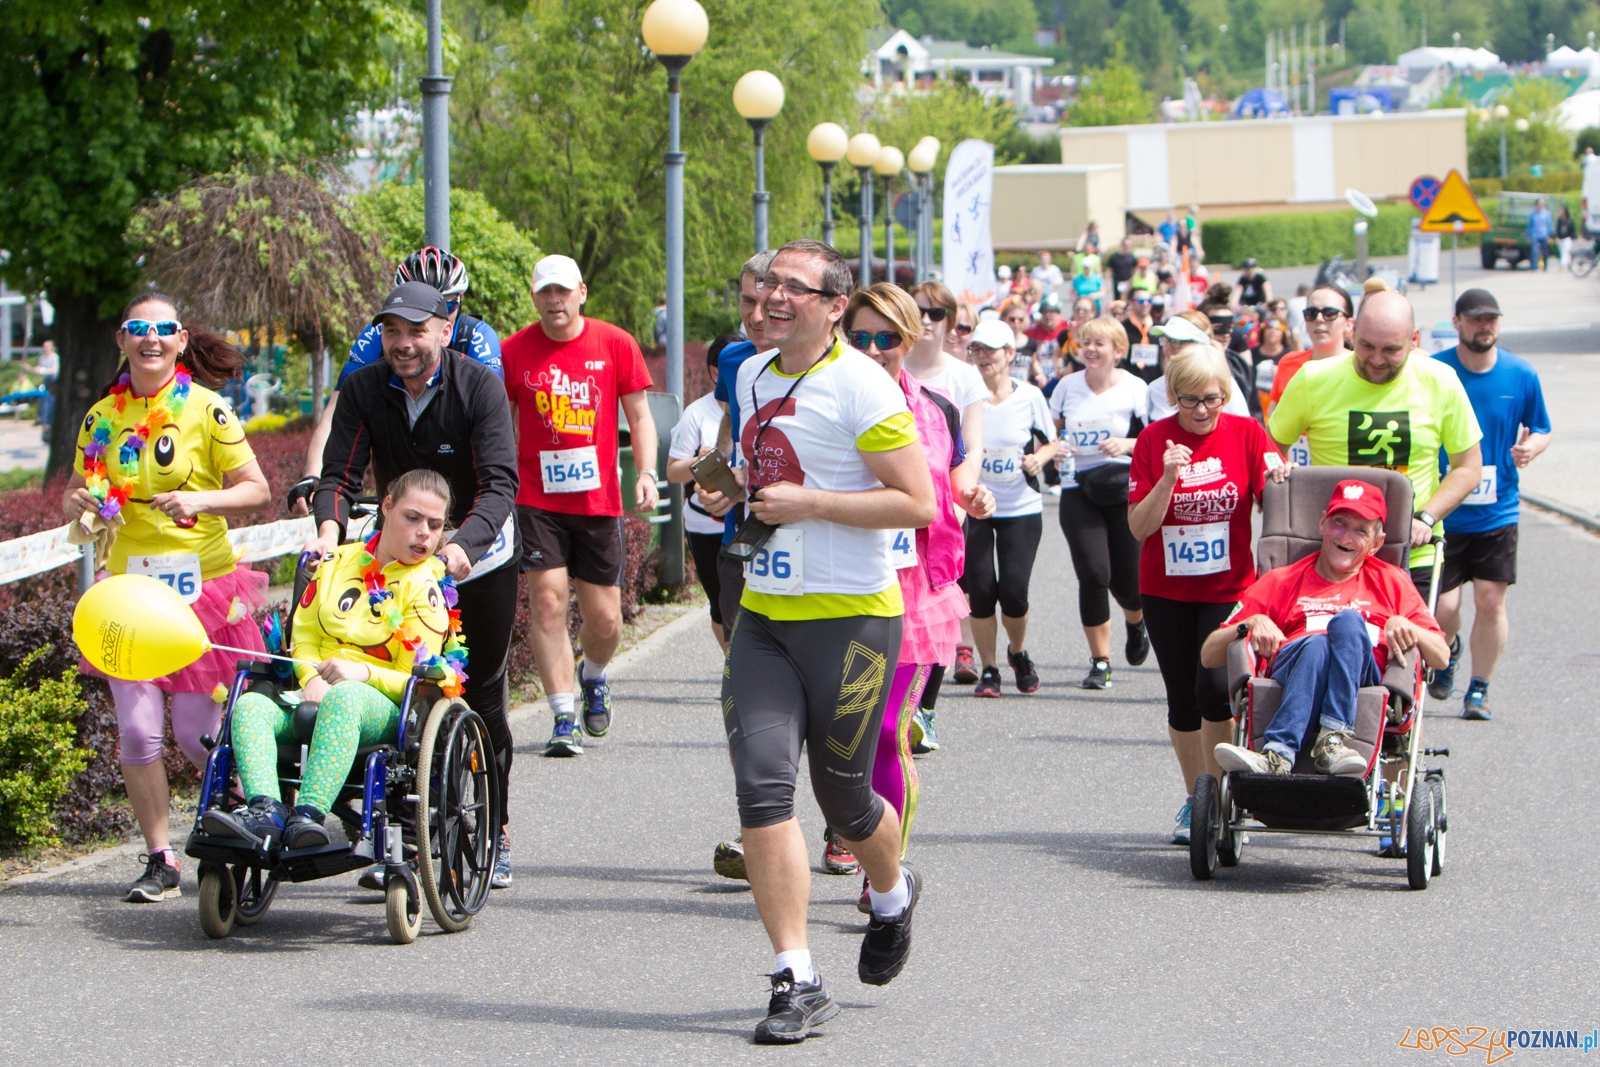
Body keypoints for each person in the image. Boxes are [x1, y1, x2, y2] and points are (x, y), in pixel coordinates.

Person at [696, 240, 937, 1043]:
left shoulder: (863, 385)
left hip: (853, 622)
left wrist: (812, 502)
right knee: (762, 789)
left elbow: (917, 502)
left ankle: (893, 891)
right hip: (765, 617)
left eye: (793, 287)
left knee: (845, 798)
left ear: (835, 306)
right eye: (767, 281)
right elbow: (760, 468)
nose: (772, 296)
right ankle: (795, 976)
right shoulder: (748, 372)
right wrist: (729, 486)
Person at [307, 279, 520, 888]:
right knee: (398, 693)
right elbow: (338, 476)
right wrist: (328, 534)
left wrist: (459, 548)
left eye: (416, 332)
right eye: (392, 332)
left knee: (476, 693)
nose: (402, 344)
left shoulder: (478, 386)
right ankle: (403, 840)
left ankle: (492, 828)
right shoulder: (364, 387)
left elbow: (500, 483)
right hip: (396, 562)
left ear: (445, 331)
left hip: (474, 555)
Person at [66, 294, 271, 902]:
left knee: (195, 736)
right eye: (138, 328)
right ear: (122, 340)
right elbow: (77, 491)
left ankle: (240, 829)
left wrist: (200, 500)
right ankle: (161, 860)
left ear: (181, 340)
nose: (149, 338)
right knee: (137, 733)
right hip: (127, 595)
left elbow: (256, 490)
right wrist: (79, 502)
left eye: (162, 329)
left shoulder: (208, 410)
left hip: (200, 593)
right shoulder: (101, 417)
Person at [204, 470, 465, 847]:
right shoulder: (337, 562)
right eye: (412, 518)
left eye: (435, 525)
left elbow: (414, 679)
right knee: (250, 707)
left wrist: (360, 673)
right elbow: (304, 636)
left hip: (381, 707)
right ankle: (266, 811)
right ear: (387, 507)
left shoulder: (426, 589)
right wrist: (311, 679)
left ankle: (308, 817)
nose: (424, 532)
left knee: (345, 698)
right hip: (311, 692)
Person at [844, 283, 993, 910]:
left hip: (913, 591)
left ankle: (883, 872)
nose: (873, 349)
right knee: (841, 730)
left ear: (908, 340)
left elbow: (954, 480)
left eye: (887, 338)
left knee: (886, 732)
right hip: (838, 583)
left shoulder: (937, 409)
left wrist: (972, 496)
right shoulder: (822, 401)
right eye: (860, 337)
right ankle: (849, 825)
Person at [1128, 344, 1288, 843]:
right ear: (1172, 396)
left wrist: (1279, 480)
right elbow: (1139, 527)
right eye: (1190, 400)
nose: (1201, 411)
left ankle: (1220, 798)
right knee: (1181, 699)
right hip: (1167, 590)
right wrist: (1168, 479)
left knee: (1214, 691)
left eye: (1212, 399)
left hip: (1229, 587)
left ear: (1227, 394)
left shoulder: (1247, 432)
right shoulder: (1153, 440)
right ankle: (1195, 799)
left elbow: (1274, 501)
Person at [501, 254, 657, 758]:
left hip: (597, 500)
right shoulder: (513, 351)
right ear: (534, 296)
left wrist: (647, 473)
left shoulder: (615, 343)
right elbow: (500, 424)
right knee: (547, 602)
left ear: (581, 293)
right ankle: (562, 716)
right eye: (545, 292)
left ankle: (593, 675)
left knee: (606, 619)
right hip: (535, 498)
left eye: (563, 291)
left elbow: (640, 417)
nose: (554, 301)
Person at [1208, 479, 1450, 776]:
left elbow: (1441, 656)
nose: (1345, 536)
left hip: (1362, 675)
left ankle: (1312, 743)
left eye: (1360, 530)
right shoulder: (1283, 580)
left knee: (1348, 622)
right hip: (1295, 666)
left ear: (1376, 543)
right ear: (1323, 523)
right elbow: (1209, 654)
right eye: (1339, 523)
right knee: (1318, 645)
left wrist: (1407, 626)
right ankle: (1295, 751)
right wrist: (1249, 624)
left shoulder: (1391, 581)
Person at [1270, 290, 1482, 604]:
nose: (1377, 360)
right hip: (1335, 549)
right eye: (1367, 346)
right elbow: (1270, 446)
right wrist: (1282, 475)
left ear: (1414, 340)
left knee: (1407, 634)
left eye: (1391, 349)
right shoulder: (1313, 379)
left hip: (1412, 548)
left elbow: (1469, 467)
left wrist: (1426, 517)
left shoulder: (1441, 381)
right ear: (1353, 332)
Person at [288, 247, 501, 516]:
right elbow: (336, 411)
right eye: (417, 305)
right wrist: (314, 475)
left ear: (460, 302)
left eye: (447, 305)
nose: (434, 313)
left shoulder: (477, 337)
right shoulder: (379, 336)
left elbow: (494, 426)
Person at [1428, 289, 1552, 721]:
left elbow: (1541, 427)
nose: (1485, 326)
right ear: (1457, 322)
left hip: (1498, 509)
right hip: (1443, 509)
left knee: (1490, 601)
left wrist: (1531, 448)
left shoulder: (1521, 374)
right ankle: (1448, 651)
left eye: (1491, 319)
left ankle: (1478, 689)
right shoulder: (1437, 371)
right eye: (1476, 319)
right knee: (1443, 608)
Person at [1049, 316, 1150, 689]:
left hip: (1122, 487)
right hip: (1078, 487)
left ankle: (1136, 622)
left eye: (1099, 343)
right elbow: (1051, 435)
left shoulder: (1136, 388)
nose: (1089, 349)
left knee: (1129, 583)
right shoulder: (1066, 386)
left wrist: (1126, 444)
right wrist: (1056, 452)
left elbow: (1156, 439)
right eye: (1085, 342)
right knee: (1093, 574)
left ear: (1118, 351)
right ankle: (1100, 661)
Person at [961, 319, 1057, 697]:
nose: (982, 356)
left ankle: (1017, 652)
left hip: (1020, 506)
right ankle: (989, 669)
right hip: (976, 507)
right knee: (981, 590)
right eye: (977, 349)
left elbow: (1051, 442)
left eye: (991, 349)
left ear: (1010, 354)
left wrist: (1039, 459)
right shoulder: (965, 394)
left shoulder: (1030, 396)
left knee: (1015, 592)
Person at [667, 337, 737, 650]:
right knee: (721, 605)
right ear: (715, 373)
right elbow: (673, 472)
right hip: (706, 524)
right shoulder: (696, 414)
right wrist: (703, 461)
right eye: (731, 369)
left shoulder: (758, 403)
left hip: (747, 520)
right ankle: (732, 666)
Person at [1266, 285, 1355, 470]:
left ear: (1349, 323)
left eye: (1330, 313)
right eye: (1311, 313)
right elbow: (1272, 421)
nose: (1319, 319)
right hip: (1293, 471)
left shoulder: (1360, 368)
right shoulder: (1289, 363)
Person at [1145, 312, 1250, 422]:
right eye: (1165, 340)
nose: (1168, 349)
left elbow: (1242, 427)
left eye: (1176, 342)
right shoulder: (1155, 388)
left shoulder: (1223, 383)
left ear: (1201, 344)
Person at [1251, 317, 1293, 411]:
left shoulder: (1290, 355)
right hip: (1256, 404)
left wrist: (1280, 374)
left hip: (1281, 404)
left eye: (1277, 328)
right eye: (1269, 327)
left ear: (1283, 333)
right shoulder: (1251, 353)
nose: (1272, 331)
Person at [1122, 291, 1162, 383]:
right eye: (1140, 301)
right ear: (1131, 303)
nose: (1145, 304)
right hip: (1130, 381)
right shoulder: (1122, 328)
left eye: (1149, 300)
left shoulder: (1159, 328)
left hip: (1155, 380)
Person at [30, 338, 58, 427]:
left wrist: (42, 370)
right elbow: (39, 368)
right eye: (44, 346)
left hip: (53, 381)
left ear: (52, 347)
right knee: (43, 400)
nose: (45, 348)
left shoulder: (55, 357)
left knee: (51, 401)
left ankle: (50, 421)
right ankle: (42, 419)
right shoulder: (42, 358)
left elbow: (54, 370)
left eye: (47, 346)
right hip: (45, 381)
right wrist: (31, 369)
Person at [1526, 197, 1553, 271]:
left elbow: (1549, 224)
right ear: (1537, 204)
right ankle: (1534, 267)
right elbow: (1530, 225)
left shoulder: (1546, 213)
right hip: (1535, 235)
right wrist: (1528, 236)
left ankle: (1545, 266)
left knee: (1545, 252)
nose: (1542, 205)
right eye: (1540, 203)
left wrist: (1549, 234)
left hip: (1544, 234)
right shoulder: (1533, 214)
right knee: (1535, 252)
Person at [1556, 204, 1577, 270]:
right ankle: (1566, 264)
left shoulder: (1570, 220)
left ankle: (1563, 264)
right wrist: (1557, 237)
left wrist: (1574, 238)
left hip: (1568, 238)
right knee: (1562, 252)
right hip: (1561, 238)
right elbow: (1557, 229)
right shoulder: (1559, 220)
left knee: (1566, 251)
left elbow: (1572, 230)